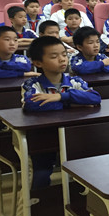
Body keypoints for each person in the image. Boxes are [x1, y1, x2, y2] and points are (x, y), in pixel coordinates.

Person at [22, 36, 101, 189]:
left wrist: (61, 97)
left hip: (73, 135)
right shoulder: (32, 84)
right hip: (42, 136)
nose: (62, 59)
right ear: (38, 63)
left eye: (64, 55)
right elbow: (32, 104)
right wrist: (73, 103)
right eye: (54, 56)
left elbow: (95, 98)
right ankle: (34, 203)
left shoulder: (74, 81)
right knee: (41, 174)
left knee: (86, 166)